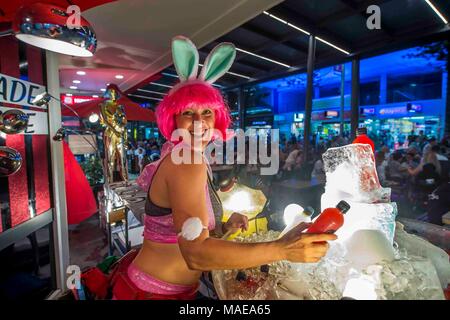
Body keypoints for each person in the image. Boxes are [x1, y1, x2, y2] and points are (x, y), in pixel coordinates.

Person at [111, 36, 336, 300]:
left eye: (207, 113)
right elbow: (195, 254)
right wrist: (283, 249)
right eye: (188, 113)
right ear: (173, 119)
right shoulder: (187, 161)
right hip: (154, 293)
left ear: (217, 118)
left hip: (158, 286)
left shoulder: (187, 156)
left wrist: (221, 226)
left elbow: (179, 227)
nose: (199, 122)